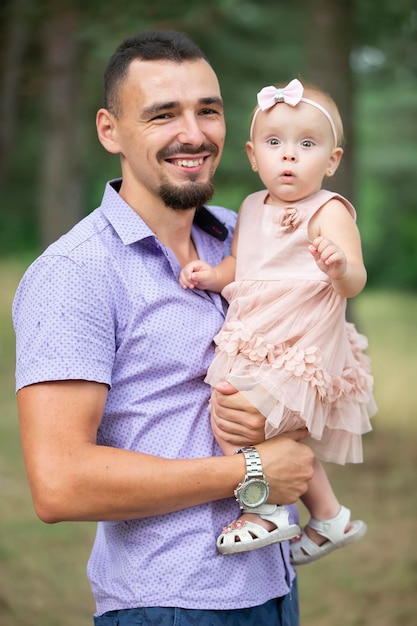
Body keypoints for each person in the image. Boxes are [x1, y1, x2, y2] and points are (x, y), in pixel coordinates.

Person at [13, 32, 315, 625]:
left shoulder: (245, 234)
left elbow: (320, 363)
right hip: (170, 603)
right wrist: (251, 471)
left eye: (208, 110)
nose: (195, 135)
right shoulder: (76, 273)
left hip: (274, 590)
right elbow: (60, 482)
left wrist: (284, 412)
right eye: (163, 115)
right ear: (109, 130)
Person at [180, 78, 377, 562]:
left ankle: (262, 509)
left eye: (306, 145)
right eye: (275, 144)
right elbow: (243, 265)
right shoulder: (249, 206)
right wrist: (213, 274)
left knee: (241, 419)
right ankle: (330, 518)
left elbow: (356, 279)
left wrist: (339, 267)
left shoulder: (329, 211)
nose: (288, 156)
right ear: (252, 155)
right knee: (244, 421)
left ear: (332, 160)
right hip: (256, 334)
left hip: (300, 342)